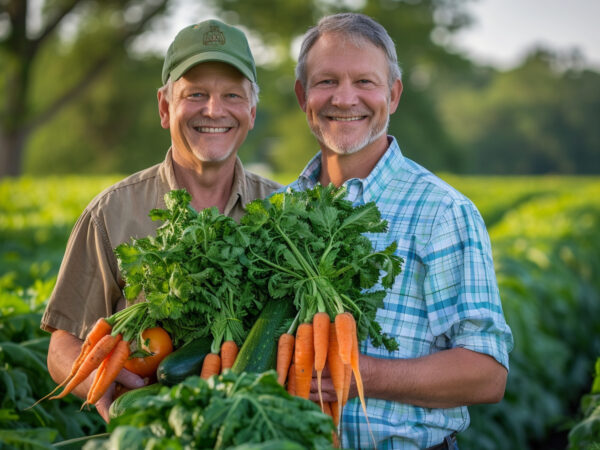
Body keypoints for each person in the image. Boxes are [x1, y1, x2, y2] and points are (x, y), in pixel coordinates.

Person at [289, 13, 514, 449]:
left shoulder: (443, 211)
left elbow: (488, 373)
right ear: (303, 96)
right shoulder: (276, 212)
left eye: (365, 83)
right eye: (326, 82)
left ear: (393, 95)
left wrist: (360, 375)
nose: (345, 97)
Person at [40, 19, 281, 422]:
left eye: (232, 95)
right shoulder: (111, 213)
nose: (214, 110)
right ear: (165, 108)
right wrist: (100, 380)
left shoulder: (283, 214)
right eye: (196, 94)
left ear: (252, 111)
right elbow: (62, 343)